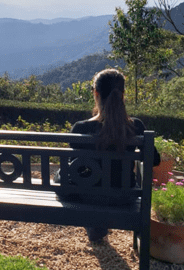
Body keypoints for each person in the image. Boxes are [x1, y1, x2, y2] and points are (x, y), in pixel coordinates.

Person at [64, 68, 160, 244]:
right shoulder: (136, 126)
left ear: (96, 94)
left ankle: (95, 225)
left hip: (89, 196)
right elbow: (155, 160)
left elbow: (76, 168)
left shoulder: (80, 128)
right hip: (124, 197)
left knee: (62, 177)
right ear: (123, 95)